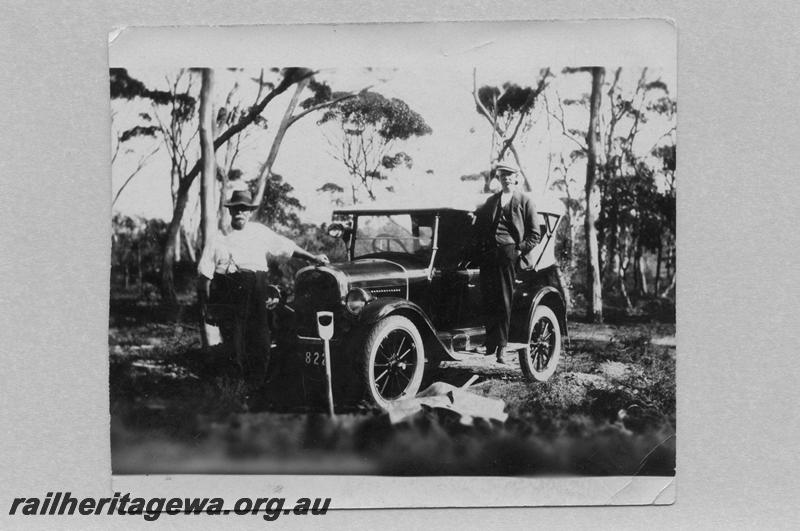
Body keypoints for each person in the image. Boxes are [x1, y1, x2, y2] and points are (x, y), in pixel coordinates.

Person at [197, 190, 329, 377]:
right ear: (230, 212)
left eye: (244, 209)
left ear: (250, 213)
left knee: (260, 338)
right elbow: (205, 274)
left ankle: (256, 386)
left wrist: (312, 257)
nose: (240, 213)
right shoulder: (219, 237)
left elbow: (286, 247)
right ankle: (233, 389)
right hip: (229, 291)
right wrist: (206, 306)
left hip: (257, 288)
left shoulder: (259, 232)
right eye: (236, 210)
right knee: (233, 342)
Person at [473, 162, 540, 364]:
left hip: (508, 253)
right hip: (489, 255)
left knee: (503, 299)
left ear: (516, 177)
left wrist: (519, 249)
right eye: (502, 176)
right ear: (499, 178)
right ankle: (489, 343)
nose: (506, 179)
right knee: (488, 297)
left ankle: (502, 346)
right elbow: (480, 223)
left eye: (509, 175)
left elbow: (535, 234)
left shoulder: (525, 201)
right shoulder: (492, 200)